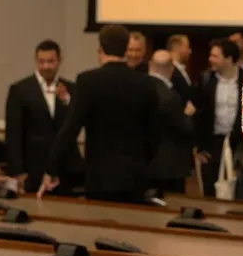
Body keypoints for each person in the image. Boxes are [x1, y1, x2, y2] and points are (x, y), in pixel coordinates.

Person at [39, 25, 161, 204]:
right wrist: (140, 161)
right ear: (126, 49)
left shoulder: (87, 81)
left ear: (101, 49)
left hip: (99, 175)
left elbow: (70, 129)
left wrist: (51, 169)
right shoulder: (146, 83)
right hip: (134, 175)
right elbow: (155, 134)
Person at [4, 40, 80, 195]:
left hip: (65, 169)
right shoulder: (20, 90)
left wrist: (66, 101)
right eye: (41, 61)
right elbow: (13, 133)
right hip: (33, 168)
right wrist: (18, 171)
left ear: (59, 61)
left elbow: (75, 124)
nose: (46, 66)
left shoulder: (71, 88)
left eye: (51, 61)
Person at [194, 38, 243, 199]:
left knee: (240, 192)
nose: (210, 59)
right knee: (211, 191)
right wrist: (199, 147)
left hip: (240, 146)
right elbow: (199, 115)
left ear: (228, 59)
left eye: (215, 56)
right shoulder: (206, 80)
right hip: (212, 145)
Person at [148, 49, 196, 195]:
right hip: (171, 165)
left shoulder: (139, 89)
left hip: (147, 163)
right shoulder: (171, 97)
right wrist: (188, 114)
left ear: (150, 65)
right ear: (171, 69)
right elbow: (184, 128)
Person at [166, 34, 195, 106]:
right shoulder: (168, 70)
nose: (190, 51)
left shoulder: (182, 69)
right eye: (187, 47)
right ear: (177, 48)